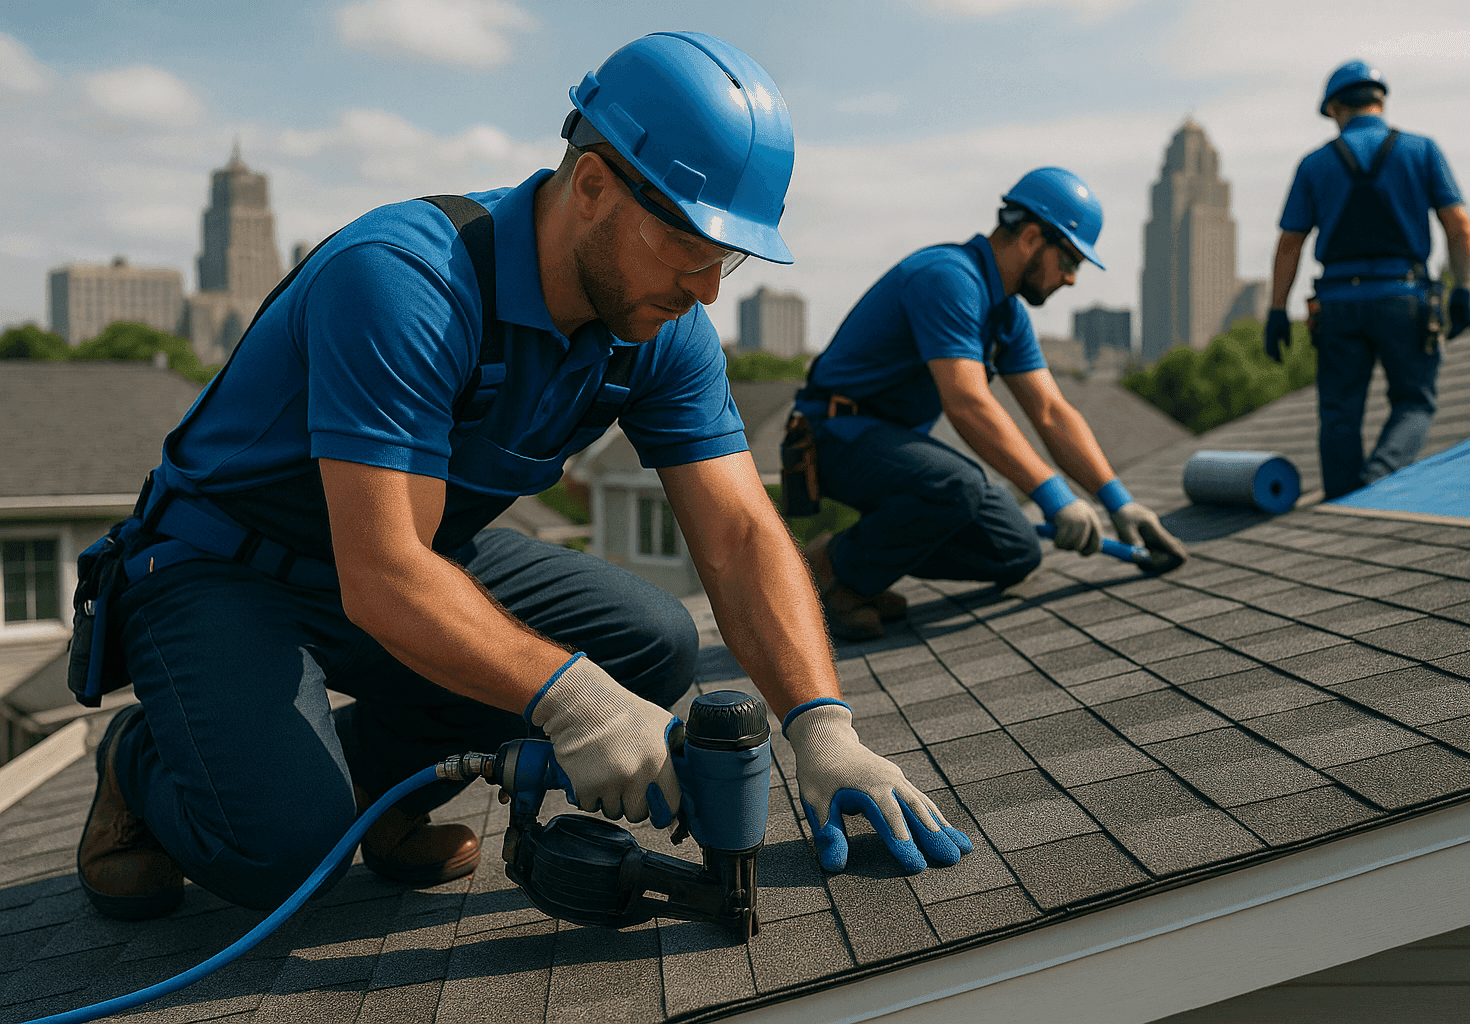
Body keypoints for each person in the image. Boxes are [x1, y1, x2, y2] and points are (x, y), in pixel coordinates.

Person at [74, 31, 972, 923]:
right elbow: (383, 574)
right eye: (690, 244)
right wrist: (576, 704)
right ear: (591, 187)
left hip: (411, 561)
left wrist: (822, 725)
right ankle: (144, 758)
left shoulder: (660, 329)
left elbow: (740, 537)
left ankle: (377, 791)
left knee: (651, 643)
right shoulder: (405, 279)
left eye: (727, 258)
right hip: (222, 571)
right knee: (282, 857)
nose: (706, 288)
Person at [789, 168, 1187, 640]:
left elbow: (1051, 412)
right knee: (956, 485)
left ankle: (862, 566)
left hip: (886, 445)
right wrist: (1057, 497)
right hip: (833, 436)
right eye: (1070, 261)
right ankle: (834, 573)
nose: (1072, 279)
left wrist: (1119, 502)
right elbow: (968, 404)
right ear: (1033, 238)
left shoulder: (1006, 314)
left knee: (1015, 551)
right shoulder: (948, 279)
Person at [1266, 60, 1470, 500]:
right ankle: (1379, 479)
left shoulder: (1314, 164)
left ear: (1337, 107)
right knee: (1415, 402)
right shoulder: (1421, 151)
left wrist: (1276, 311)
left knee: (1339, 413)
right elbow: (1459, 225)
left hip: (1338, 304)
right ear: (1380, 101)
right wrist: (1465, 289)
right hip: (1406, 296)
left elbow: (1290, 244)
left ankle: (1344, 500)